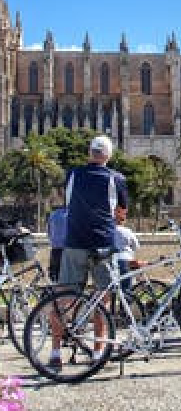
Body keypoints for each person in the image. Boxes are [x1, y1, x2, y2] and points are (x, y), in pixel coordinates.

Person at [50, 135, 128, 370]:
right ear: (109, 156)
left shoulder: (73, 174)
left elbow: (69, 202)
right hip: (102, 243)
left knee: (64, 298)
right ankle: (97, 353)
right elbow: (122, 211)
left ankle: (55, 353)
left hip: (74, 242)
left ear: (90, 153)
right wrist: (114, 219)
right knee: (101, 299)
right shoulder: (117, 178)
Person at [114, 206, 139, 295]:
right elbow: (136, 246)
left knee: (112, 288)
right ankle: (124, 308)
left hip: (112, 260)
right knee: (126, 289)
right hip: (126, 261)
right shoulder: (127, 231)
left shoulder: (109, 231)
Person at [46, 206, 68, 282]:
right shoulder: (70, 214)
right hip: (66, 246)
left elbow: (48, 231)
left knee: (55, 269)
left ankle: (55, 284)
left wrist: (52, 240)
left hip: (55, 246)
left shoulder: (52, 215)